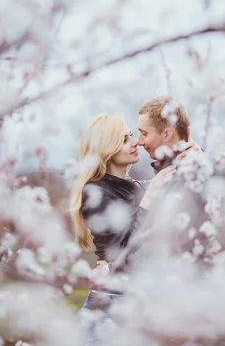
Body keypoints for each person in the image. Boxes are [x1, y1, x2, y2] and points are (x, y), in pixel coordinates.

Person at [69, 115, 171, 316]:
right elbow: (126, 257)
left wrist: (187, 144)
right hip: (110, 307)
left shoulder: (133, 188)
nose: (136, 142)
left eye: (131, 135)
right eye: (124, 139)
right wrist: (148, 202)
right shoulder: (95, 194)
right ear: (107, 148)